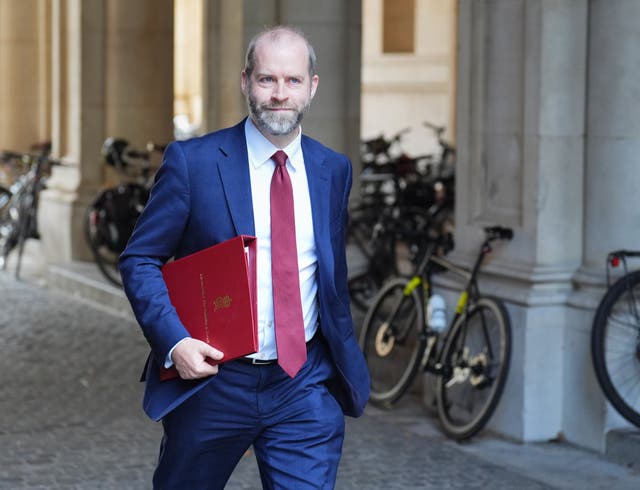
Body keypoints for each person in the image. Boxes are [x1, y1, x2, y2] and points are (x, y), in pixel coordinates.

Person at [119, 25, 370, 489]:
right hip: (215, 382)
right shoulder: (193, 163)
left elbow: (326, 275)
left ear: (312, 87)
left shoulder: (332, 169)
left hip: (303, 384)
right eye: (266, 80)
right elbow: (139, 260)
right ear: (245, 82)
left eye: (292, 81)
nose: (279, 94)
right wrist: (175, 343)